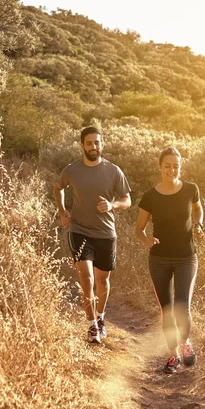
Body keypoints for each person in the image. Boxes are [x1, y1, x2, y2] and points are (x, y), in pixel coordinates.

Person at [54, 127, 131, 344]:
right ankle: (91, 326)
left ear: (102, 144)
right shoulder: (72, 170)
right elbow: (58, 187)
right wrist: (62, 211)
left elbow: (127, 200)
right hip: (79, 230)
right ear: (82, 145)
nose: (93, 147)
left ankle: (101, 317)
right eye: (89, 143)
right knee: (86, 279)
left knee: (102, 280)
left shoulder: (113, 170)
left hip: (106, 233)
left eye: (97, 143)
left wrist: (112, 204)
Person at [135, 147, 204, 373]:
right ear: (159, 167)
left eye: (176, 165)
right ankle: (172, 356)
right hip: (159, 260)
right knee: (167, 310)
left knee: (182, 306)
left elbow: (197, 210)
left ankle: (185, 344)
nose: (172, 169)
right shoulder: (150, 196)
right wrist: (146, 241)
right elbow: (139, 229)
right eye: (167, 165)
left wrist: (199, 225)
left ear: (180, 167)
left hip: (187, 257)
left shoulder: (191, 189)